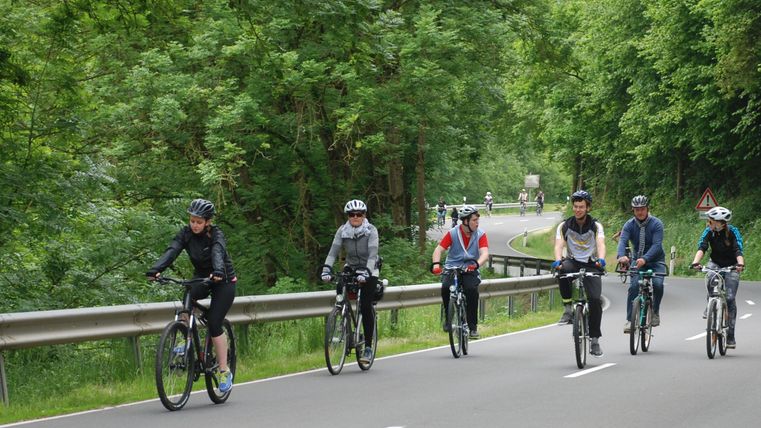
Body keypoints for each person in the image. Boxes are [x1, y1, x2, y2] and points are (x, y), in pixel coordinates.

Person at [147, 199, 236, 393]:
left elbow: (217, 252)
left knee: (214, 323)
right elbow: (172, 250)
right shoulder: (186, 234)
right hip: (202, 278)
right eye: (192, 221)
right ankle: (183, 337)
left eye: (198, 222)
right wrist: (155, 270)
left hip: (223, 280)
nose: (194, 225)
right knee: (186, 302)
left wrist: (219, 271)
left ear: (207, 222)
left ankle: (223, 370)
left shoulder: (216, 234)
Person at [321, 199, 380, 363]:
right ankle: (343, 316)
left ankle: (368, 347)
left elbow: (373, 253)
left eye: (358, 214)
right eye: (352, 215)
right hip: (352, 266)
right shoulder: (342, 231)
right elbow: (333, 251)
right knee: (340, 285)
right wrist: (326, 268)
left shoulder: (371, 230)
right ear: (348, 216)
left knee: (366, 305)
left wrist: (367, 272)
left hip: (370, 267)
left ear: (364, 215)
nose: (355, 217)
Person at [551, 190, 607, 357]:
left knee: (596, 300)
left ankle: (595, 340)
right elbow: (559, 245)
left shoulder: (595, 226)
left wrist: (602, 259)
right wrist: (558, 259)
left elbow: (601, 244)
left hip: (591, 263)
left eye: (581, 207)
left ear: (588, 208)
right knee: (561, 270)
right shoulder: (565, 226)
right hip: (573, 261)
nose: (578, 210)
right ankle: (568, 308)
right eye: (575, 207)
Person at [689, 206, 745, 348]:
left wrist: (740, 264)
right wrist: (696, 262)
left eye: (711, 221)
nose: (709, 223)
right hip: (715, 263)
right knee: (710, 279)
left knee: (730, 298)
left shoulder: (733, 232)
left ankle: (731, 335)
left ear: (720, 222)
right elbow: (702, 247)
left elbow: (738, 249)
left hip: (731, 266)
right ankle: (710, 304)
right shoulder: (709, 231)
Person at [431, 205, 490, 339]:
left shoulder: (480, 234)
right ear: (465, 221)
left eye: (477, 220)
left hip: (470, 268)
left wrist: (476, 264)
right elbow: (438, 250)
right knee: (446, 287)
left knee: (471, 290)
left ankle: (473, 327)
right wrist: (436, 265)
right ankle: (448, 319)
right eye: (474, 220)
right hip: (452, 267)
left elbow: (485, 254)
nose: (477, 223)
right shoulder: (453, 233)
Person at [616, 195, 666, 333]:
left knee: (657, 284)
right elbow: (622, 241)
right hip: (637, 261)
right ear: (633, 210)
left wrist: (645, 258)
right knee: (633, 287)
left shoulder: (656, 224)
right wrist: (622, 256)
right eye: (637, 209)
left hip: (656, 261)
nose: (640, 212)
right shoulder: (629, 225)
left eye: (642, 209)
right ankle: (629, 320)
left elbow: (657, 245)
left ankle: (655, 311)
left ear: (647, 209)